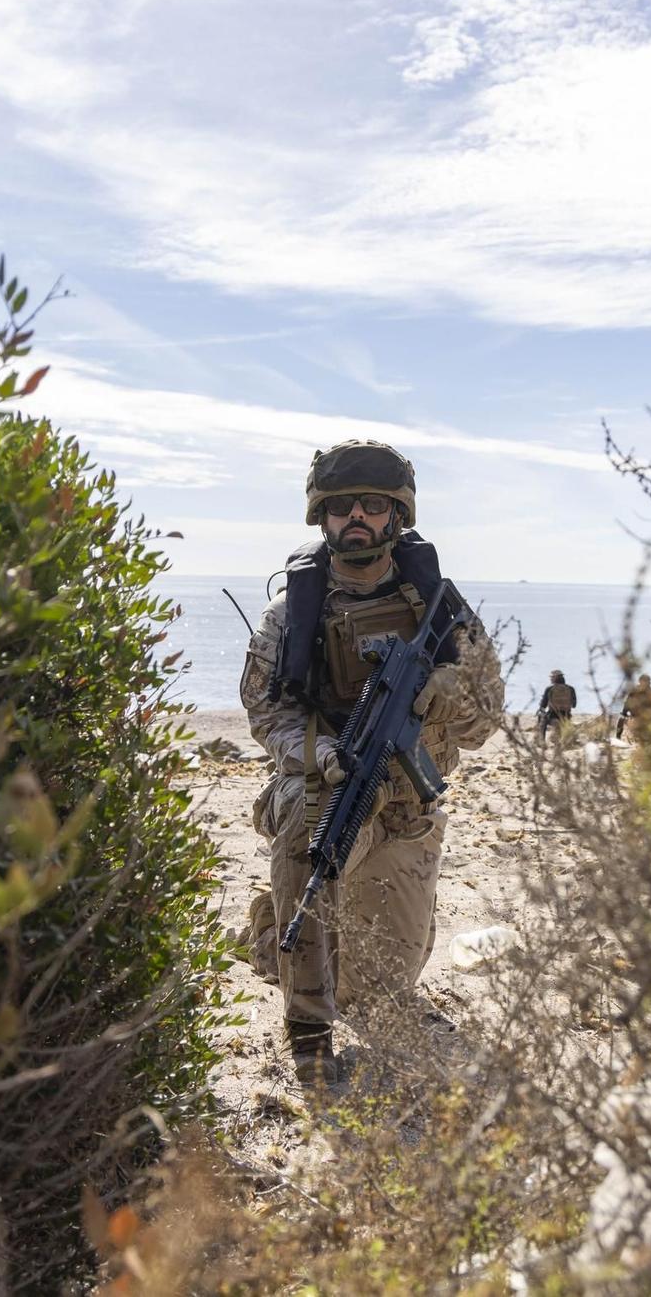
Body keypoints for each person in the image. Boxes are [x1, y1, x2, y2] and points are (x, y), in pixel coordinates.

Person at [238, 440, 504, 1089]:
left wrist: (450, 695)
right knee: (307, 840)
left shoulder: (442, 613)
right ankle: (308, 1032)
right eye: (341, 507)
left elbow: (486, 725)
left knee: (377, 996)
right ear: (320, 516)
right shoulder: (289, 617)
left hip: (410, 812)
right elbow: (265, 715)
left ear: (399, 515)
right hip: (331, 792)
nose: (356, 518)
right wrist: (320, 752)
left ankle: (273, 935)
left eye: (373, 506)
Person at [617, 672, 651, 740]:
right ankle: (618, 737)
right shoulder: (634, 692)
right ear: (640, 681)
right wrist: (624, 712)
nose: (645, 683)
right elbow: (627, 703)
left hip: (649, 717)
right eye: (643, 681)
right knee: (621, 719)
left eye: (647, 681)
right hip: (635, 716)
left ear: (649, 682)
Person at [538, 669, 577, 740]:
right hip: (566, 717)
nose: (550, 679)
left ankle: (541, 741)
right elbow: (574, 705)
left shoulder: (549, 688)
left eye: (551, 677)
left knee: (541, 717)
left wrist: (541, 705)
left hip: (552, 716)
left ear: (555, 678)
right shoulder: (571, 689)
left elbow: (543, 706)